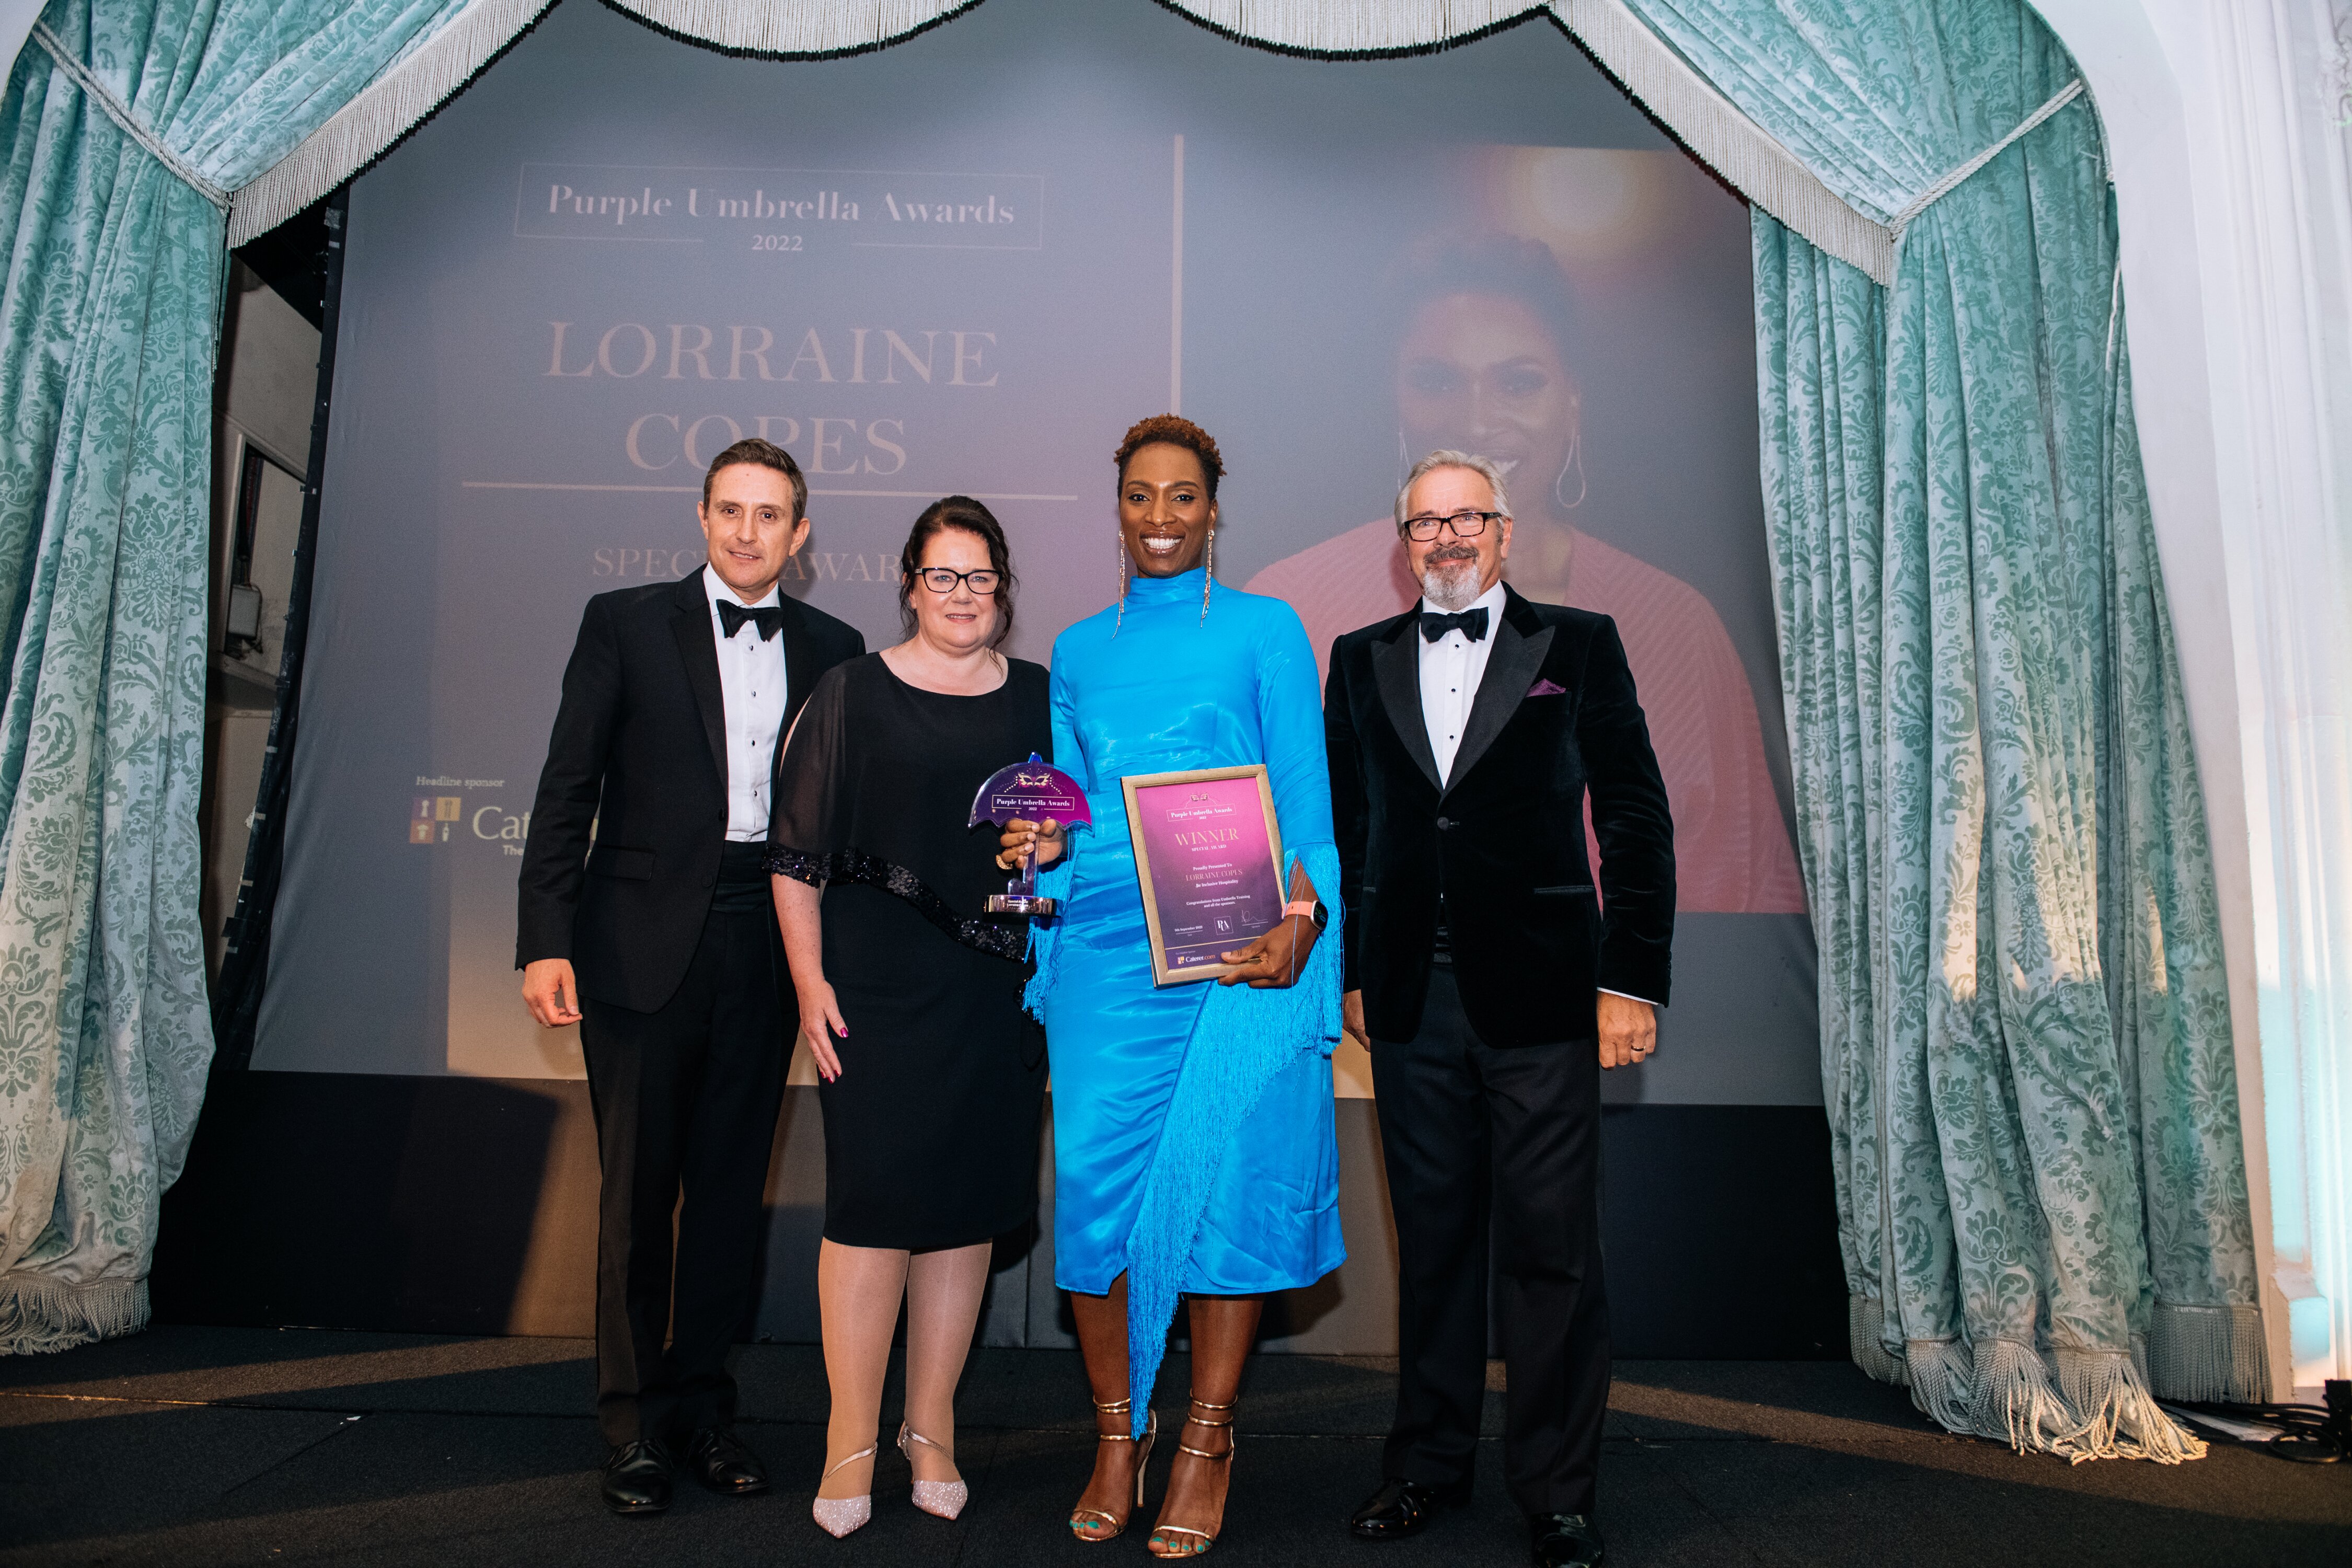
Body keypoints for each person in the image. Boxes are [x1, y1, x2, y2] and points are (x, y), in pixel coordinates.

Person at [1000, 415, 1343, 1558]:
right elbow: (1070, 805)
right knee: (1099, 1200)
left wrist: (1303, 919)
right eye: (1141, 496)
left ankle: (1204, 1437)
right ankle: (1115, 1435)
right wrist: (1036, 851)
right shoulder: (1079, 649)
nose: (1160, 517)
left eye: (1182, 497)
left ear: (1213, 508)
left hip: (1231, 949)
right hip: (1104, 955)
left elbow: (1303, 794)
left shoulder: (1267, 628)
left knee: (1229, 1196)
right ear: (1118, 508)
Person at [1328, 451, 1674, 1568]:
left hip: (1544, 999)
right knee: (1432, 1250)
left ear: (1505, 530)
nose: (1446, 536)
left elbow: (1634, 816)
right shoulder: (1359, 659)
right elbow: (1354, 832)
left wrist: (1630, 978)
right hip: (1411, 1009)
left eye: (1466, 516)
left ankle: (1557, 1493)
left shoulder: (1580, 644)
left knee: (1552, 1257)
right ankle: (1425, 1466)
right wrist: (1352, 976)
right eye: (1425, 522)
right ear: (1402, 540)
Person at [516, 437, 864, 1516]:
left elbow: (848, 813)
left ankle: (704, 1416)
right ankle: (630, 1431)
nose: (749, 531)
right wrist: (544, 935)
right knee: (635, 1201)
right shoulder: (622, 621)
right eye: (731, 510)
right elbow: (568, 784)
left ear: (800, 535)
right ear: (703, 517)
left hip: (769, 944)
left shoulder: (835, 647)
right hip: (634, 949)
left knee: (727, 1198)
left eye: (771, 515)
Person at [1244, 234, 1796, 915]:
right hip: (1364, 1013)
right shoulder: (1292, 608)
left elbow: (1739, 893)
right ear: (1394, 401)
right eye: (1437, 380)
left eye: (1519, 381)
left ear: (1573, 401)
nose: (1475, 420)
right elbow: (1242, 862)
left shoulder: (1674, 625)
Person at [767, 497, 1052, 1538]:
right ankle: (851, 1434)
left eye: (980, 578)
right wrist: (809, 984)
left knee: (966, 1212)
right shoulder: (850, 693)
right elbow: (795, 859)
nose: (963, 595)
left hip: (991, 991)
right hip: (874, 990)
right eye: (944, 576)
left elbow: (1066, 831)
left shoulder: (1038, 700)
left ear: (1003, 590)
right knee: (872, 1210)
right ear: (909, 584)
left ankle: (929, 1427)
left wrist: (1054, 853)